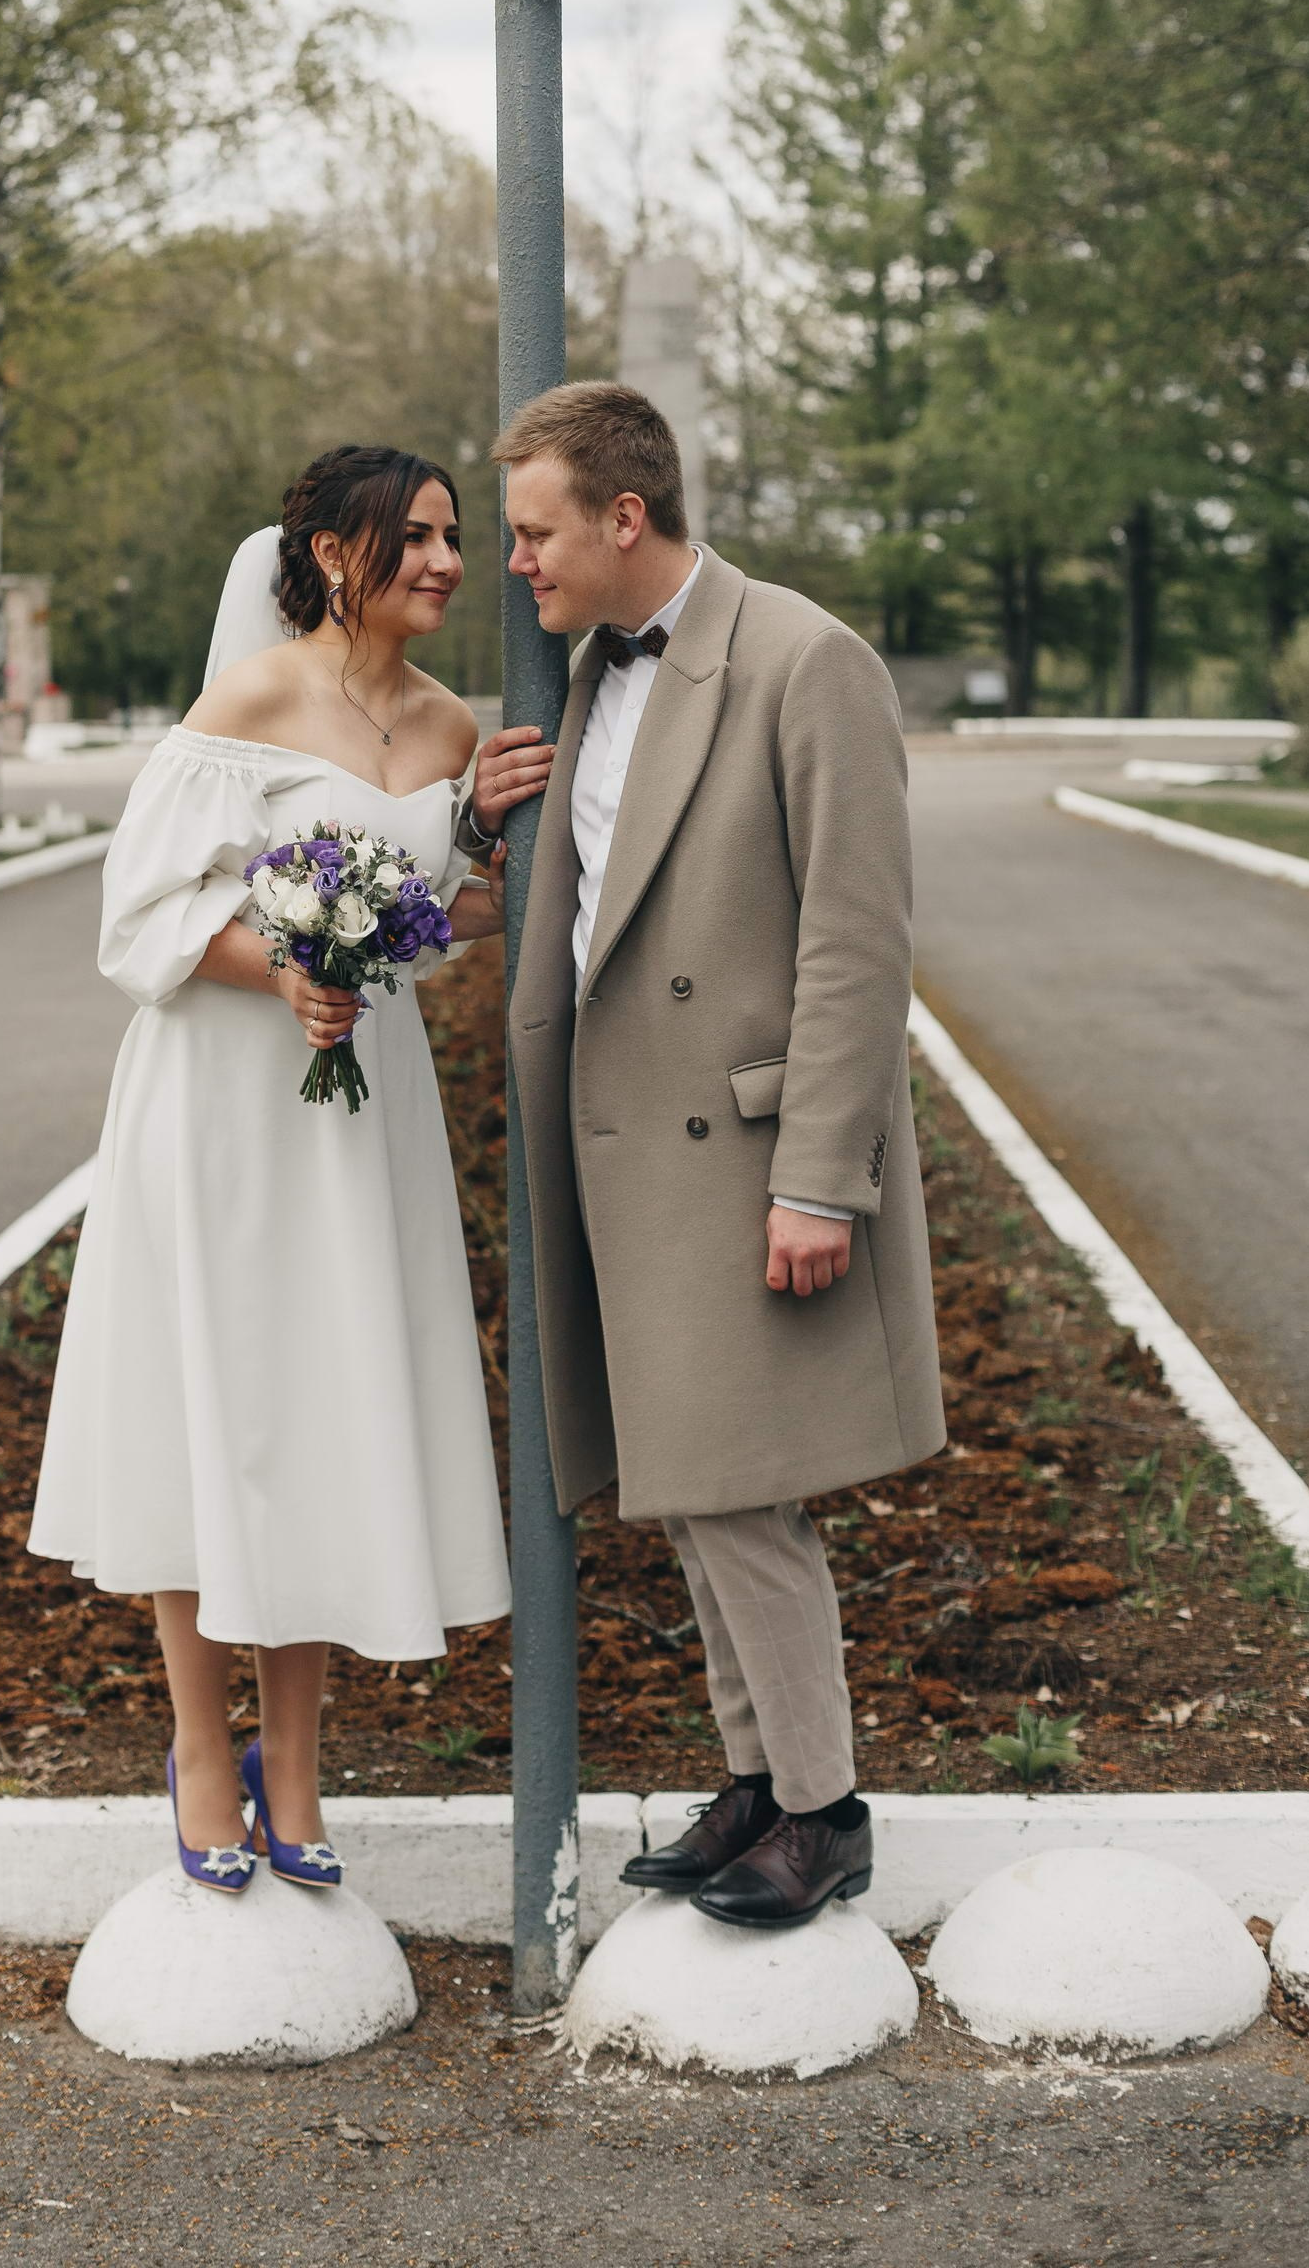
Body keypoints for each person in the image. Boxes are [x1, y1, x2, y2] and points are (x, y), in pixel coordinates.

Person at [477, 380, 946, 1929]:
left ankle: (824, 1809)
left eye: (536, 532)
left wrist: (822, 1176)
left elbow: (859, 944)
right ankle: (756, 1785)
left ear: (626, 516)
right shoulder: (586, 671)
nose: (515, 564)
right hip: (629, 1155)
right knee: (691, 1484)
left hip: (749, 1159)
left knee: (749, 1494)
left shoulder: (807, 661)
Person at [30, 444, 520, 1894]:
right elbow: (142, 916)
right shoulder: (246, 701)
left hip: (361, 1117)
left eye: (450, 537)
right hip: (222, 1102)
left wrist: (495, 847)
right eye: (413, 538)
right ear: (325, 550)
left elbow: (447, 912)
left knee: (319, 1408)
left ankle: (294, 1765)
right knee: (211, 1404)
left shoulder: (448, 726)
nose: (441, 561)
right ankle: (198, 1749)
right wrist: (288, 968)